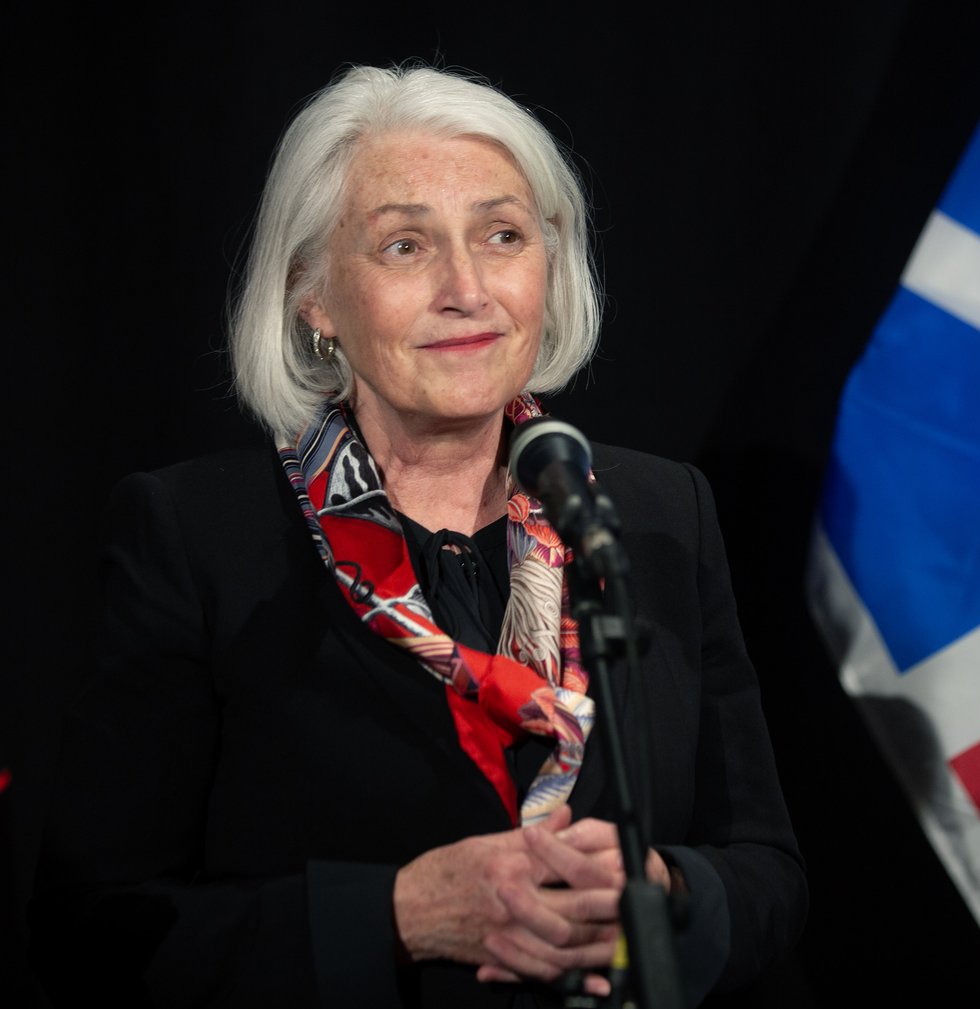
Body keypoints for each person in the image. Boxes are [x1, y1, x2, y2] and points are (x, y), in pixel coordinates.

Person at [30, 64, 806, 1008]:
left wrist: (665, 893)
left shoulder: (653, 513)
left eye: (503, 235)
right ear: (315, 296)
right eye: (405, 245)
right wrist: (397, 916)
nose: (466, 289)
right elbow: (91, 929)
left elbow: (767, 872)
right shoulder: (196, 537)